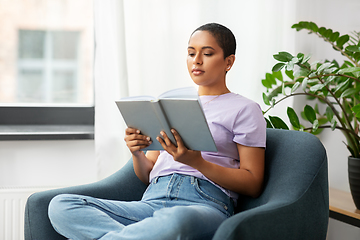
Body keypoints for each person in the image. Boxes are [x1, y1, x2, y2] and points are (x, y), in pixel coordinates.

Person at [48, 22, 266, 240]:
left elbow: (253, 183)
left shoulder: (245, 109)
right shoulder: (171, 104)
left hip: (204, 204)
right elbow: (147, 173)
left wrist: (197, 162)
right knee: (61, 205)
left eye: (207, 53)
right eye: (191, 53)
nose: (196, 60)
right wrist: (136, 152)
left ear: (229, 62)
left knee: (176, 221)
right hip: (152, 201)